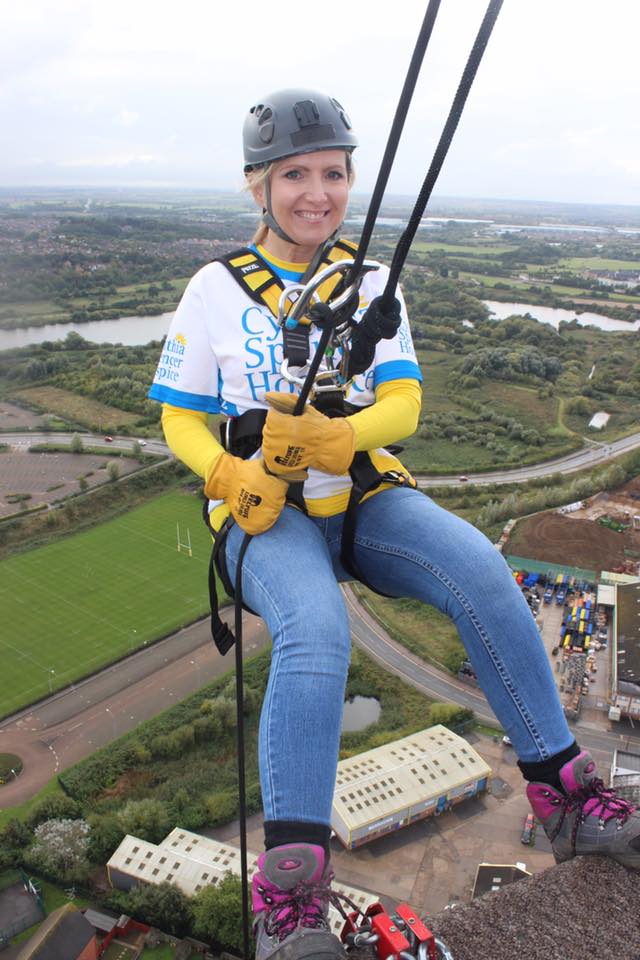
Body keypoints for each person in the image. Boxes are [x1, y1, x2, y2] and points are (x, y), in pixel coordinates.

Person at [149, 88, 640, 960]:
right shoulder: (214, 290)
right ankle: (291, 897)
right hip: (265, 509)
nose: (317, 192)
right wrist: (227, 472)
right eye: (294, 174)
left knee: (481, 572)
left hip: (363, 492)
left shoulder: (370, 281)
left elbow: (405, 403)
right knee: (315, 628)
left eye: (333, 173)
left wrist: (343, 434)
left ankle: (565, 799)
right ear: (255, 186)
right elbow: (179, 414)